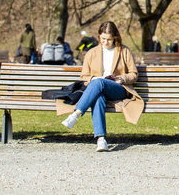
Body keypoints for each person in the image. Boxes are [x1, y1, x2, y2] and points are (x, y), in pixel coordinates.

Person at [60, 21, 144, 152]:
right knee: (98, 95)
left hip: (118, 89)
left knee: (99, 83)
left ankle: (76, 114)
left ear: (115, 38)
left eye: (109, 39)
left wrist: (122, 78)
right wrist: (93, 78)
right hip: (97, 89)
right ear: (99, 36)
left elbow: (134, 74)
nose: (105, 42)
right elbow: (84, 77)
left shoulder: (123, 51)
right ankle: (101, 139)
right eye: (103, 39)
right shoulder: (91, 53)